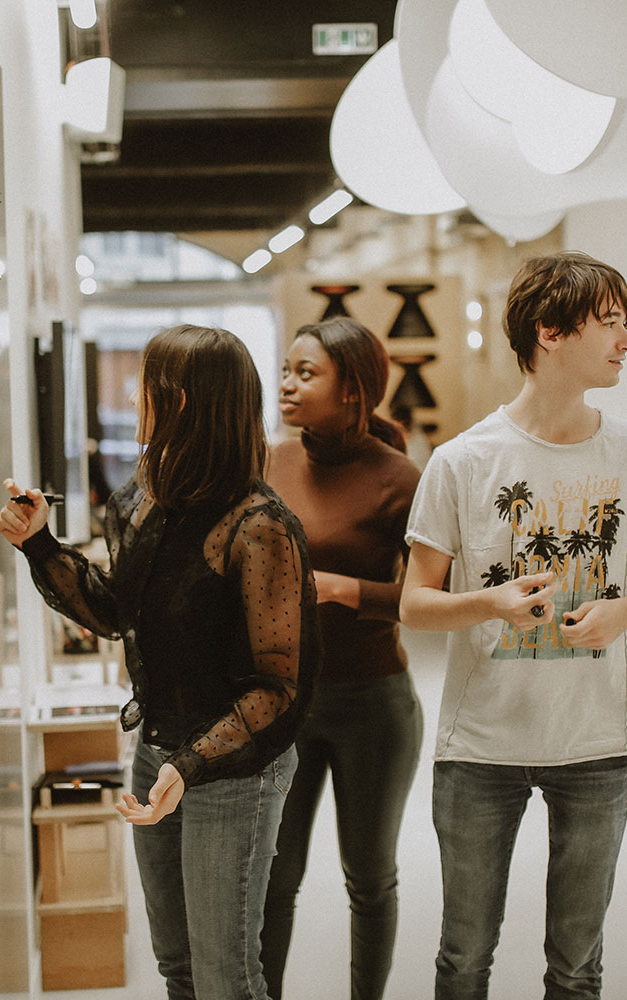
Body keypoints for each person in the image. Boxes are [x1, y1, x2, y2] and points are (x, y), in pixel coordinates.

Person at [399, 252, 627, 1000]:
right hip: (482, 745)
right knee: (463, 958)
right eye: (611, 324)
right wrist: (490, 603)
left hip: (598, 742)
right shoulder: (463, 462)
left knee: (576, 966)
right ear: (551, 331)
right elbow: (415, 604)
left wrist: (620, 612)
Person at [0, 323, 320, 1000]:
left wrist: (193, 761)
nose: (138, 398)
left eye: (151, 386)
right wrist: (37, 544)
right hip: (158, 749)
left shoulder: (260, 526)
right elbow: (117, 612)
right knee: (177, 965)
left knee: (225, 976)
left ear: (183, 402)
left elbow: (278, 689)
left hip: (235, 768)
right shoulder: (145, 502)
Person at [261, 317, 424, 1000]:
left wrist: (339, 589)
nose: (288, 384)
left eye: (307, 373)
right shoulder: (266, 462)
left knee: (370, 876)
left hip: (373, 705)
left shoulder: (400, 478)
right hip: (280, 701)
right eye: (288, 370)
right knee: (274, 874)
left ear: (354, 391)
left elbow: (430, 600)